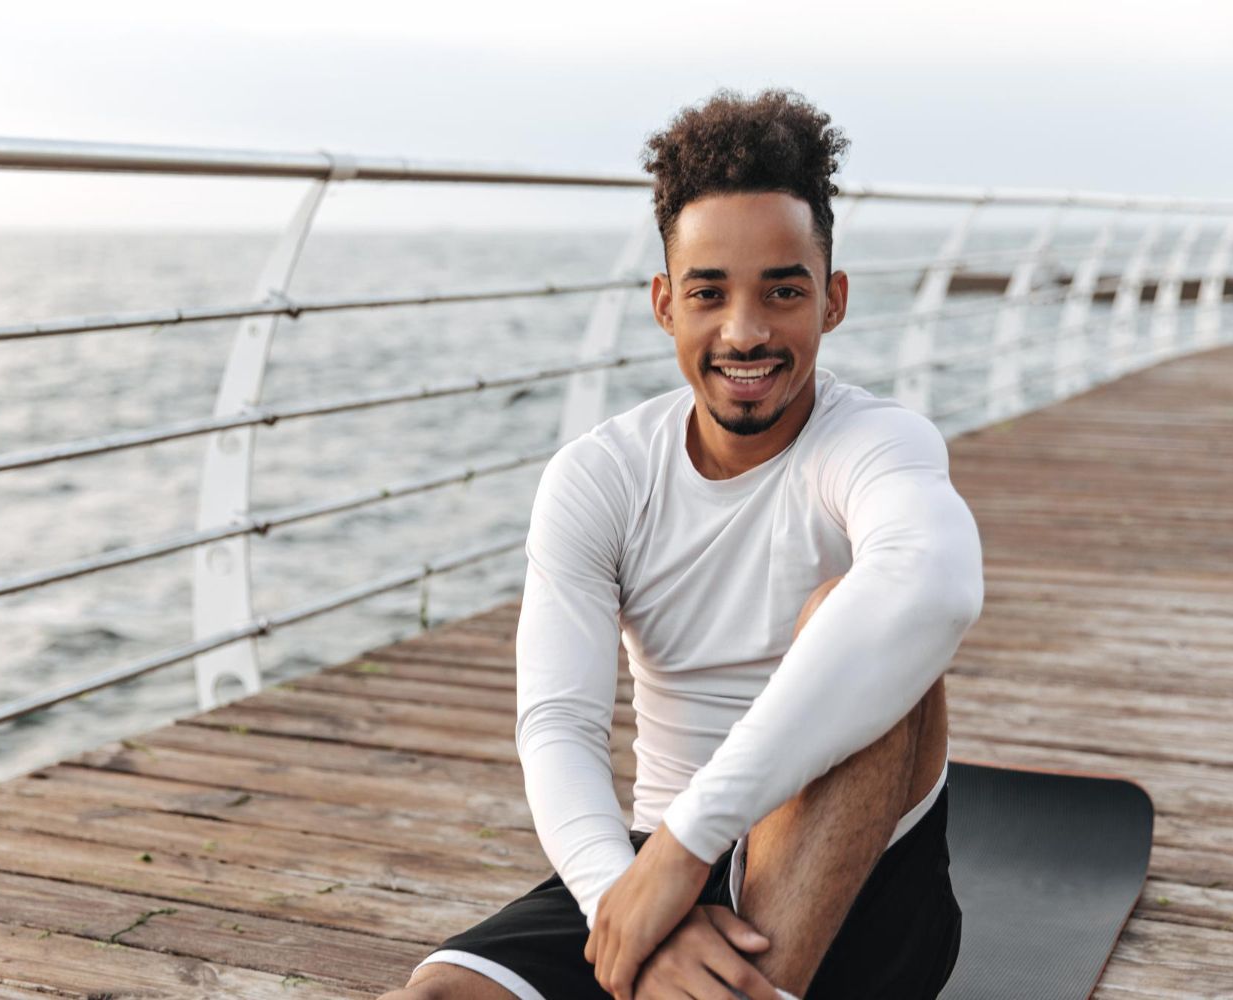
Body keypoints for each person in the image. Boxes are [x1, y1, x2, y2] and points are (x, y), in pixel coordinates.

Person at [380, 87, 983, 1000]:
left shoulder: (877, 445)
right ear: (666, 304)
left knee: (853, 614)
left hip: (862, 881)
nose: (746, 331)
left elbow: (932, 587)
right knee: (434, 996)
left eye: (784, 291)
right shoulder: (602, 475)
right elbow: (560, 725)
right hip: (659, 864)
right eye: (710, 293)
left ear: (835, 301)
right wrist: (623, 898)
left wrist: (689, 841)